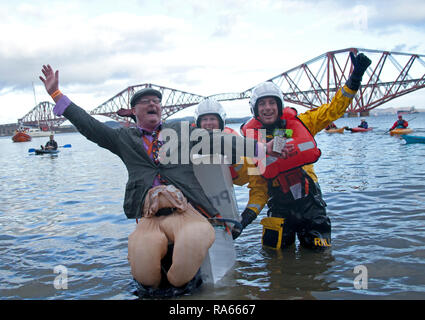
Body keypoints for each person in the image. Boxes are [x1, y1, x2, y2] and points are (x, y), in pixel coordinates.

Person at [39, 64, 282, 296]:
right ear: (134, 111)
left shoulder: (182, 132)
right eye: (145, 102)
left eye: (156, 101)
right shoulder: (123, 138)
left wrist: (264, 149)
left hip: (185, 211)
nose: (153, 104)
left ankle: (181, 284)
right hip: (150, 217)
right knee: (144, 268)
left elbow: (223, 141)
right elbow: (89, 125)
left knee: (196, 238)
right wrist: (57, 94)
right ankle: (153, 288)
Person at [240, 52, 372, 250]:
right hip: (279, 207)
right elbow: (258, 189)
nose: (268, 108)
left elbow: (334, 109)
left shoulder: (304, 123)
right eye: (262, 104)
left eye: (272, 103)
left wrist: (355, 79)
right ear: (255, 109)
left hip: (311, 204)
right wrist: (245, 219)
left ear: (279, 105)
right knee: (274, 257)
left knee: (319, 259)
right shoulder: (253, 144)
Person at [194, 98, 268, 238]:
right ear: (198, 123)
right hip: (196, 203)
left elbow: (247, 180)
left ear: (221, 122)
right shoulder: (188, 143)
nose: (208, 123)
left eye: (212, 119)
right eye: (204, 120)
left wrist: (234, 160)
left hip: (221, 201)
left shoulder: (236, 144)